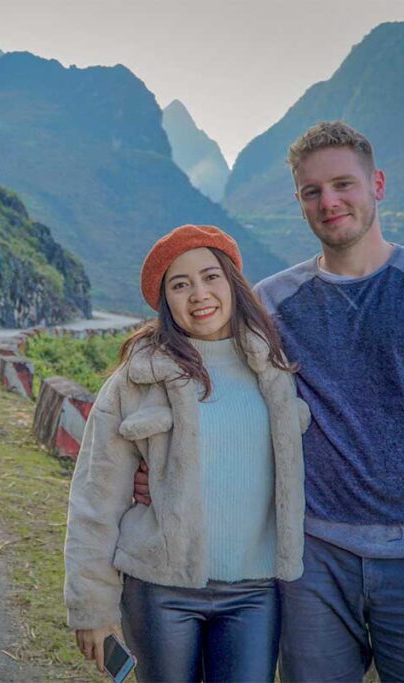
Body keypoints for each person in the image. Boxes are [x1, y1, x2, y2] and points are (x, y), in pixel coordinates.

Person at [133, 121, 404, 682]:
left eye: (344, 184)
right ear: (299, 201)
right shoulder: (271, 305)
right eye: (312, 191)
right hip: (312, 561)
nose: (330, 202)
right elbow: (219, 395)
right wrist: (164, 466)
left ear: (377, 184)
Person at [64, 224, 311, 682]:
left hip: (255, 593)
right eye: (180, 284)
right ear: (166, 301)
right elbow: (95, 499)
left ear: (233, 283)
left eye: (210, 276)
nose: (199, 293)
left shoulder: (274, 370)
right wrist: (92, 607)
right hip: (161, 591)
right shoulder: (137, 380)